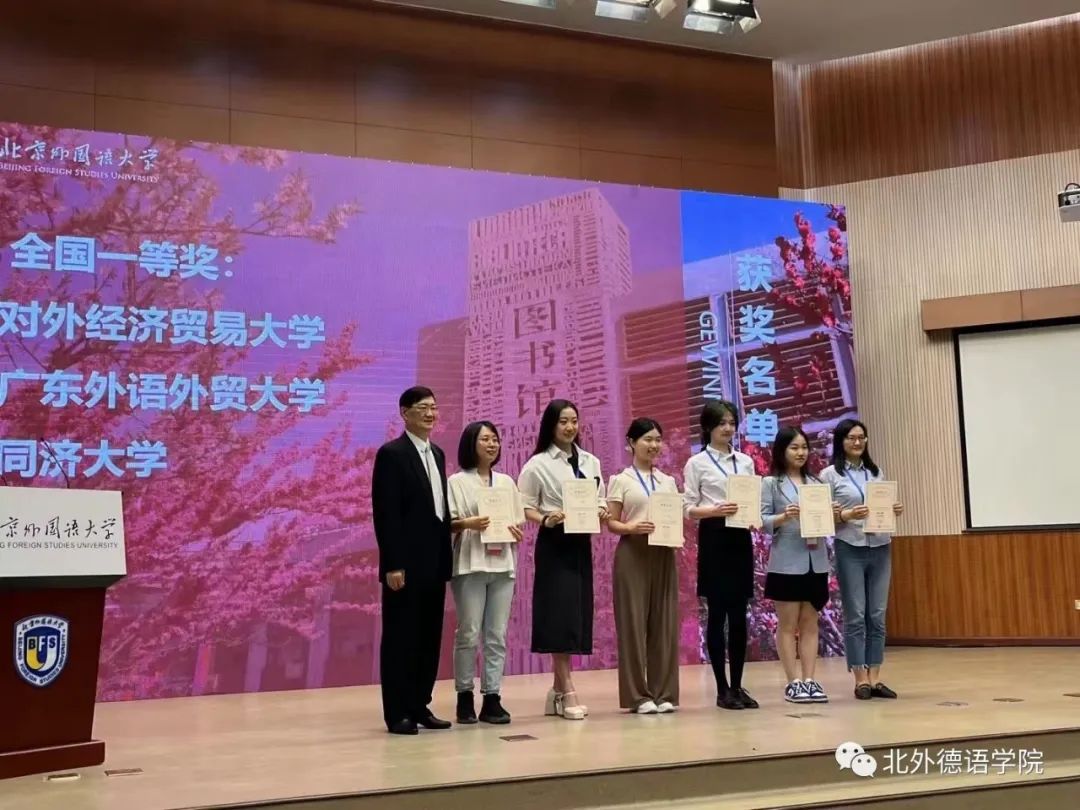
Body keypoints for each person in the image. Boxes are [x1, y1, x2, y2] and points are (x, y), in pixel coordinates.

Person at [517, 399, 608, 721]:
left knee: (575, 616)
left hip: (581, 543)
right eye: (563, 421)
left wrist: (601, 510)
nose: (570, 427)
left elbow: (601, 499)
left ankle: (555, 692)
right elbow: (523, 506)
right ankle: (567, 690)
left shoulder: (591, 461)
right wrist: (545, 518)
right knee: (558, 616)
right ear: (551, 426)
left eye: (574, 421)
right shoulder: (537, 464)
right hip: (554, 543)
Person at [371, 386, 453, 735]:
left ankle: (420, 704)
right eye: (422, 408)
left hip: (434, 562)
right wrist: (393, 563)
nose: (430, 414)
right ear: (404, 413)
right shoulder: (392, 454)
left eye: (433, 407)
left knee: (429, 637)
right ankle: (398, 712)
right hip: (404, 565)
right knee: (401, 638)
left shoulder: (438, 453)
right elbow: (386, 514)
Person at [682, 400, 759, 711]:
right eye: (722, 423)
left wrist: (753, 515)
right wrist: (714, 510)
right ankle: (721, 688)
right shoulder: (697, 463)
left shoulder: (745, 462)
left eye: (731, 422)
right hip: (714, 535)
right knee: (717, 613)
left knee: (739, 614)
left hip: (740, 535)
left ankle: (738, 685)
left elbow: (752, 499)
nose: (728, 428)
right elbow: (688, 508)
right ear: (708, 427)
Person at [447, 421, 524, 725]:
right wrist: (468, 523)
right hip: (470, 563)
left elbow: (516, 520)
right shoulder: (456, 482)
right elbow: (448, 523)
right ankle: (464, 695)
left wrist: (515, 531)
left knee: (497, 633)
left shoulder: (506, 482)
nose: (492, 444)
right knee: (468, 631)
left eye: (495, 439)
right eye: (485, 440)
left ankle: (492, 696)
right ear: (471, 443)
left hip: (502, 564)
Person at [821, 418, 904, 701]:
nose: (857, 442)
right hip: (850, 546)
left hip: (880, 545)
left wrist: (893, 509)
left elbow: (882, 507)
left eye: (861, 438)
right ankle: (860, 678)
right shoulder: (830, 475)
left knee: (877, 614)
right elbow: (821, 516)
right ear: (841, 441)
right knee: (856, 614)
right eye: (851, 438)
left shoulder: (875, 472)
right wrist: (846, 515)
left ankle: (875, 676)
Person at [606, 418, 681, 715]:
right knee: (633, 626)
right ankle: (638, 696)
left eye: (657, 440)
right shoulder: (621, 480)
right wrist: (631, 528)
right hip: (632, 554)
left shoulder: (668, 481)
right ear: (631, 443)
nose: (653, 445)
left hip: (663, 554)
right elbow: (611, 522)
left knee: (664, 624)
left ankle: (664, 693)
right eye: (647, 439)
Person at [760, 426, 831, 705]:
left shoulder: (816, 483)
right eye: (794, 447)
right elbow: (762, 520)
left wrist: (833, 513)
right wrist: (783, 517)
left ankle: (810, 680)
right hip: (786, 561)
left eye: (804, 447)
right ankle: (793, 682)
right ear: (782, 450)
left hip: (816, 560)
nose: (801, 452)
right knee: (788, 624)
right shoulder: (771, 483)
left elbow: (827, 521)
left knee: (810, 622)